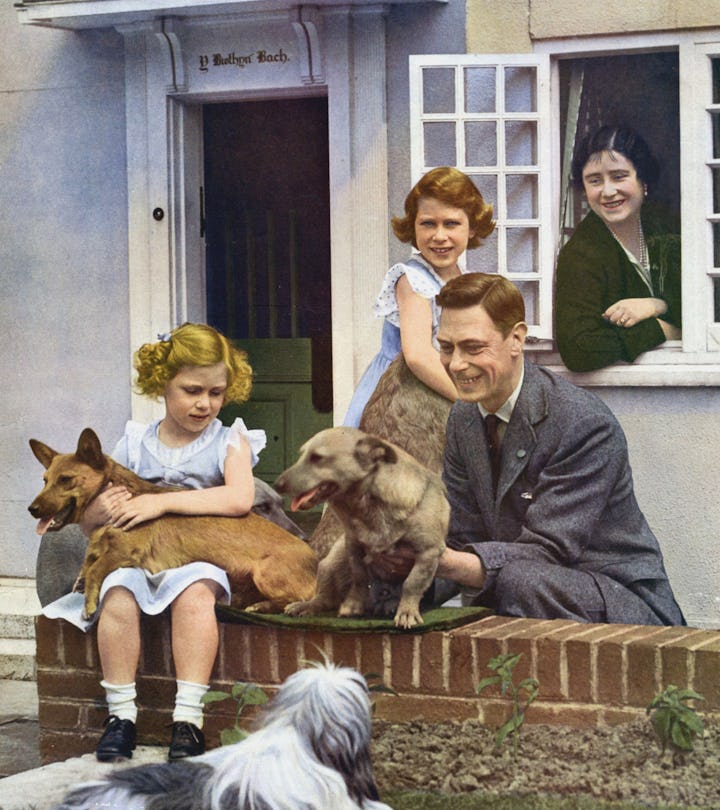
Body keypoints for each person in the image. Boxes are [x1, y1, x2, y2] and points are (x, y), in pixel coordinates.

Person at [380, 273, 685, 626]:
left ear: (517, 339)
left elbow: (548, 551)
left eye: (474, 347)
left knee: (518, 581)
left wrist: (440, 561)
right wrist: (405, 564)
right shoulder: (464, 417)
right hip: (529, 588)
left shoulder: (583, 423)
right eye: (446, 347)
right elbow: (462, 536)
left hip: (624, 603)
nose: (456, 364)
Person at [43, 323, 266, 761]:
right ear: (162, 384)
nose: (205, 403)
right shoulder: (137, 441)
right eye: (192, 390)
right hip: (137, 557)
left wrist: (162, 504)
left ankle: (188, 720)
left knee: (197, 595)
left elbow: (240, 498)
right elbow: (96, 514)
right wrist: (100, 512)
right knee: (118, 593)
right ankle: (121, 716)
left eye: (216, 392)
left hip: (199, 556)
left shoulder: (229, 440)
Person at [343, 166, 495, 427]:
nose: (439, 236)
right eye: (427, 224)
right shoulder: (412, 280)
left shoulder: (464, 280)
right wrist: (469, 401)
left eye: (451, 224)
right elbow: (418, 356)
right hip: (402, 396)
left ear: (471, 228)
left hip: (441, 387)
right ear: (413, 228)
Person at [555, 125, 682, 373]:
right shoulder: (581, 252)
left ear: (643, 179)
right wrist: (662, 329)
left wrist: (656, 306)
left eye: (619, 176)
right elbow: (578, 348)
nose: (608, 191)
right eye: (594, 181)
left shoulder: (668, 227)